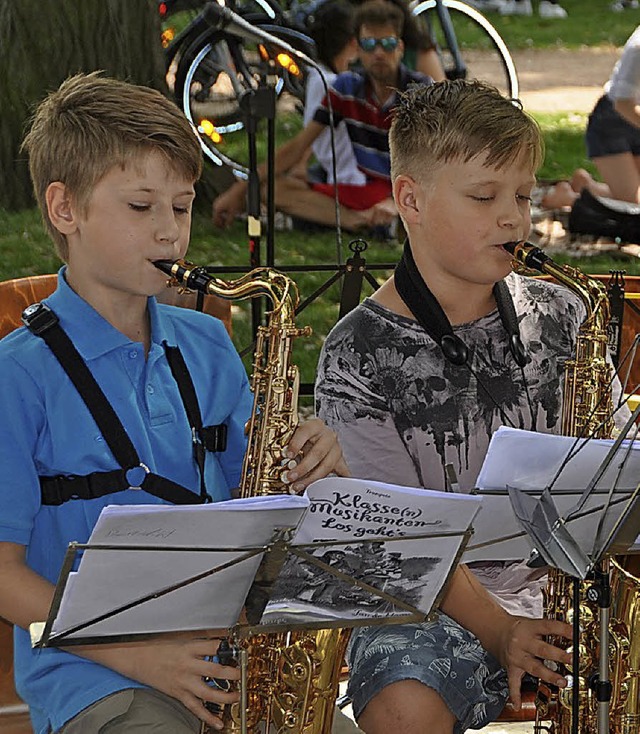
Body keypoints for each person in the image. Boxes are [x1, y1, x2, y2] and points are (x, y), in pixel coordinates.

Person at [0, 71, 349, 734]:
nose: (169, 233)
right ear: (64, 209)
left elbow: (270, 506)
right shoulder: (17, 377)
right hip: (93, 675)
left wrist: (316, 465)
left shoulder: (209, 343)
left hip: (225, 657)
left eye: (182, 207)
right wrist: (140, 656)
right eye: (141, 207)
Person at [315, 79, 578, 733]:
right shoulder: (358, 352)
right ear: (411, 200)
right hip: (426, 603)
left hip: (566, 586)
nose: (515, 218)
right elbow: (396, 541)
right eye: (485, 197)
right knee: (404, 706)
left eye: (522, 194)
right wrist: (502, 630)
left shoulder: (564, 312)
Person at [212, 0, 431, 234]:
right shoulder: (346, 87)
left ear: (400, 47)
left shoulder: (419, 92)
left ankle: (382, 218)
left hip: (404, 189)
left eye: (387, 44)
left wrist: (397, 200)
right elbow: (299, 145)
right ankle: (361, 222)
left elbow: (432, 161)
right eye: (369, 44)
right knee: (271, 189)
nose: (378, 53)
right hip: (359, 190)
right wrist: (242, 188)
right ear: (357, 48)